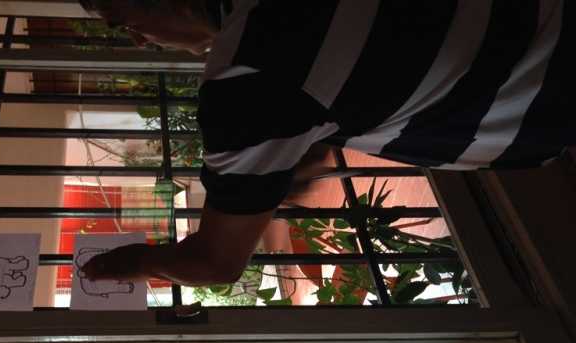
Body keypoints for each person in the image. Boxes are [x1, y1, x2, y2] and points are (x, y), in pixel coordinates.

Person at [80, 0, 575, 286]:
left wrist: (138, 261)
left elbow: (215, 261)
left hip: (549, 89)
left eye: (122, 21)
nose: (138, 41)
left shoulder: (245, 79)